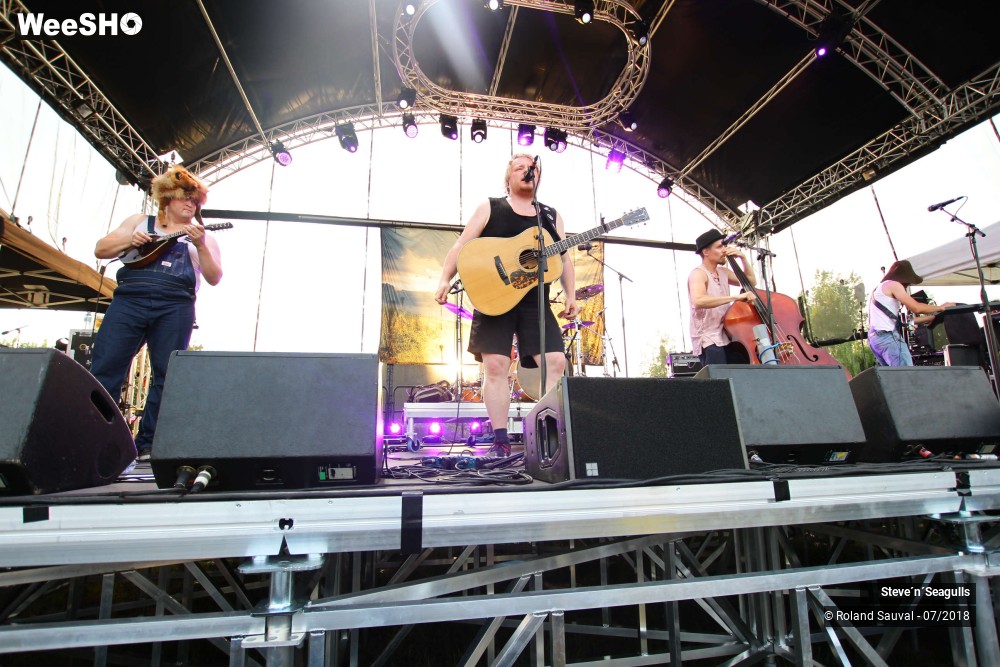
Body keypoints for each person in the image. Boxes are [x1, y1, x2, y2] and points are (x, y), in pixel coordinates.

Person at [434, 154, 579, 456]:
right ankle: (500, 438)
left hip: (534, 300)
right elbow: (461, 245)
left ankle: (550, 435)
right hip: (493, 295)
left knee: (556, 362)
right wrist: (445, 278)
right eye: (521, 167)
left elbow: (563, 258)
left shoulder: (550, 216)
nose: (529, 170)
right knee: (496, 365)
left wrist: (571, 295)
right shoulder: (491, 207)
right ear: (509, 177)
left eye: (534, 168)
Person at [90, 165, 223, 461]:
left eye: (196, 201)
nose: (192, 204)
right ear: (167, 199)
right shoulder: (139, 221)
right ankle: (98, 439)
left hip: (175, 306)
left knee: (168, 374)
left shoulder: (202, 236)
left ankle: (148, 444)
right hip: (129, 300)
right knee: (105, 367)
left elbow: (215, 277)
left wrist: (200, 245)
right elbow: (101, 249)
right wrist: (130, 241)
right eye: (185, 198)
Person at [688, 228, 756, 366]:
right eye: (719, 247)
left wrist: (743, 259)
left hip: (728, 335)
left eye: (724, 246)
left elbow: (751, 281)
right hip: (709, 339)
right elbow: (698, 300)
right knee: (720, 382)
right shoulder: (698, 274)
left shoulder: (723, 272)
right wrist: (735, 298)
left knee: (741, 376)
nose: (724, 250)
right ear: (706, 252)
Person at [868, 260, 951, 366]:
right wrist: (941, 307)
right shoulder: (894, 285)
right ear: (903, 278)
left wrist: (932, 318)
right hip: (888, 337)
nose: (907, 286)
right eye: (907, 282)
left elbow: (908, 321)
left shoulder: (879, 290)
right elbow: (916, 308)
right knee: (907, 376)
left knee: (892, 379)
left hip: (876, 340)